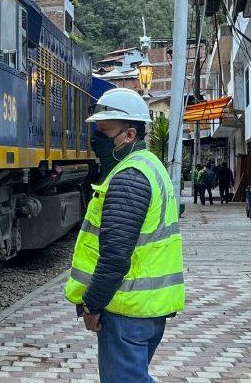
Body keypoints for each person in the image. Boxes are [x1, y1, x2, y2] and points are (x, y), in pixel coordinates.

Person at [66, 88, 185, 383]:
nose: (96, 140)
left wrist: (92, 305)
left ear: (129, 135)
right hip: (146, 309)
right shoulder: (150, 166)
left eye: (104, 132)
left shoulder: (128, 178)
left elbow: (115, 256)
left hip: (126, 310)